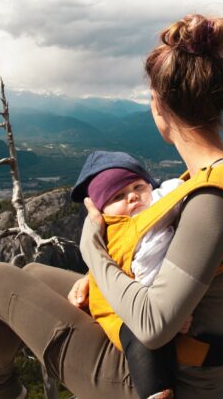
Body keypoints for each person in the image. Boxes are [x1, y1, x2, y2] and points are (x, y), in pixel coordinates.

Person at [0, 14, 223, 399]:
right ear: (222, 99)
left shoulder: (211, 199)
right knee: (36, 274)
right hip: (176, 363)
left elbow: (154, 324)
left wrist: (93, 249)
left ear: (158, 106)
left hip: (159, 382)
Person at [68, 150, 187, 399]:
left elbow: (178, 190)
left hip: (156, 299)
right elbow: (117, 265)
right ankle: (154, 393)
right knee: (142, 339)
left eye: (138, 186)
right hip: (119, 310)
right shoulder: (117, 231)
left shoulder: (159, 204)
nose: (132, 196)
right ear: (105, 211)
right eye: (118, 196)